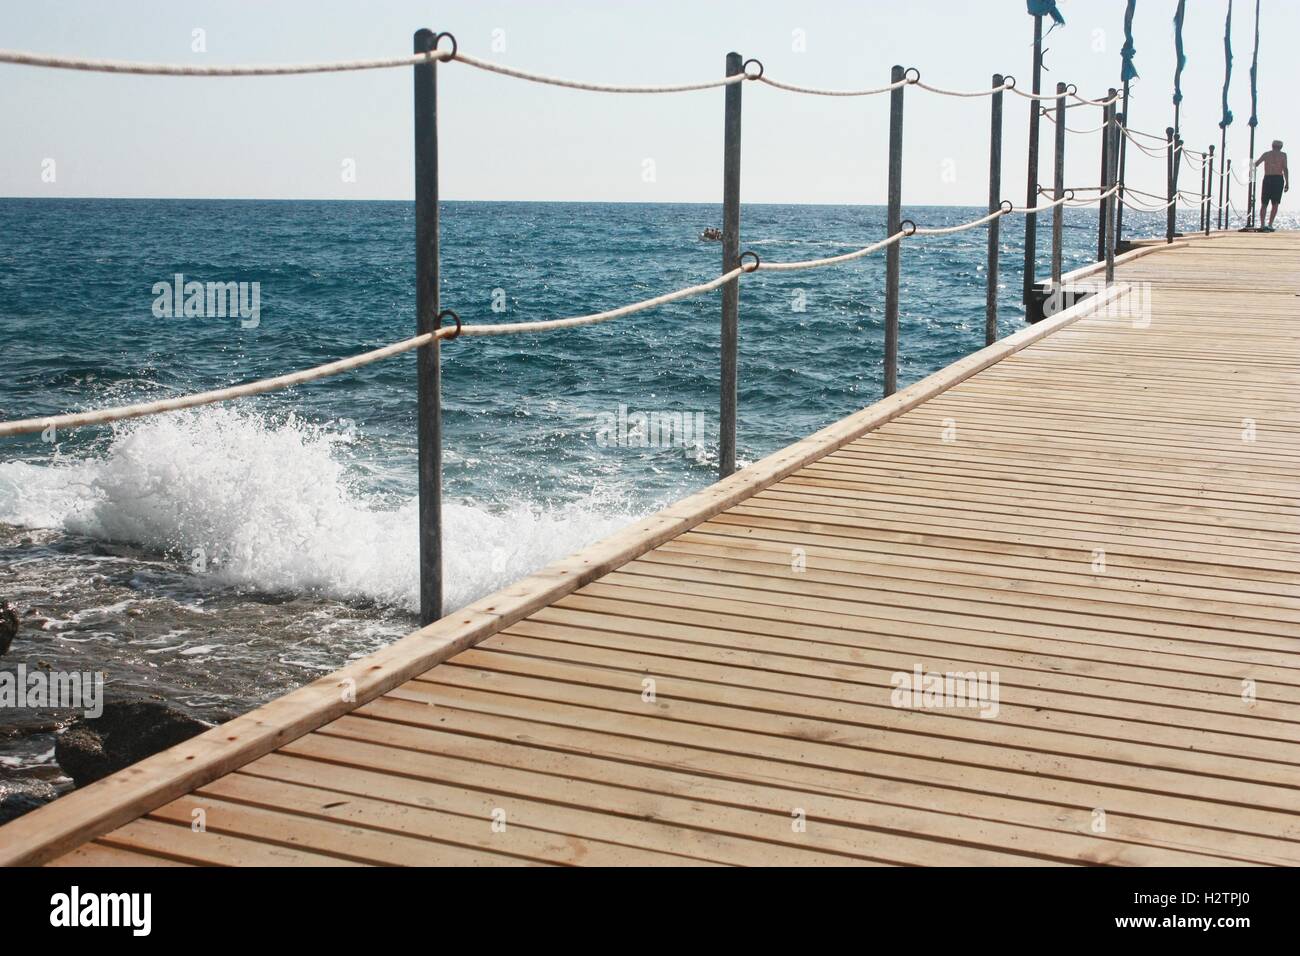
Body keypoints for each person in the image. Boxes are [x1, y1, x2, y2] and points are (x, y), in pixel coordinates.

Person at [1254, 139, 1289, 230]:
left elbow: (1256, 164)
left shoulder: (1266, 154)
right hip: (1278, 179)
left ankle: (1262, 224)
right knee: (1275, 203)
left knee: (1264, 203)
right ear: (1281, 147)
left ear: (1272, 146)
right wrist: (1287, 183)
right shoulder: (1283, 155)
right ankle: (1270, 224)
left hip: (1268, 178)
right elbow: (1285, 168)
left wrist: (1251, 166)